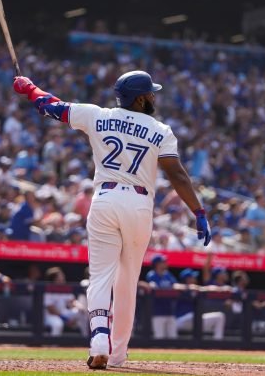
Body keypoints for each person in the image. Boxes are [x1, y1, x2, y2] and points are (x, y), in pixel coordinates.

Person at [14, 70, 210, 369]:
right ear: (141, 98)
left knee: (100, 277)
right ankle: (117, 354)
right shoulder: (161, 130)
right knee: (127, 282)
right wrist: (198, 211)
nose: (154, 97)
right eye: (150, 93)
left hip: (105, 199)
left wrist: (29, 89)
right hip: (139, 204)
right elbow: (177, 175)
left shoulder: (96, 115)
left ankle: (98, 340)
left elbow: (49, 105)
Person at [174, 268, 225, 340]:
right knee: (193, 315)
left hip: (194, 320)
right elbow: (174, 286)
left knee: (219, 317)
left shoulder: (197, 290)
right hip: (181, 320)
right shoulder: (180, 289)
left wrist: (221, 288)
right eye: (192, 277)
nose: (195, 279)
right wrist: (188, 287)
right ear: (187, 279)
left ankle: (217, 344)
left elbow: (207, 288)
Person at [42, 267, 88, 337]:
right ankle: (54, 345)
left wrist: (80, 307)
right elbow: (52, 310)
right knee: (58, 324)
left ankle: (86, 339)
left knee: (81, 312)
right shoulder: (48, 291)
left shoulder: (64, 288)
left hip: (63, 313)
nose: (63, 277)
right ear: (55, 279)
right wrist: (66, 319)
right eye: (60, 276)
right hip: (51, 316)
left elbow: (72, 302)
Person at [144, 254, 179, 339]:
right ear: (157, 264)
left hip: (170, 311)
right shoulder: (152, 275)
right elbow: (153, 287)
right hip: (157, 312)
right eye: (163, 262)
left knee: (173, 339)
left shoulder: (168, 275)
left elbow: (175, 285)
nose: (165, 263)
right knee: (159, 339)